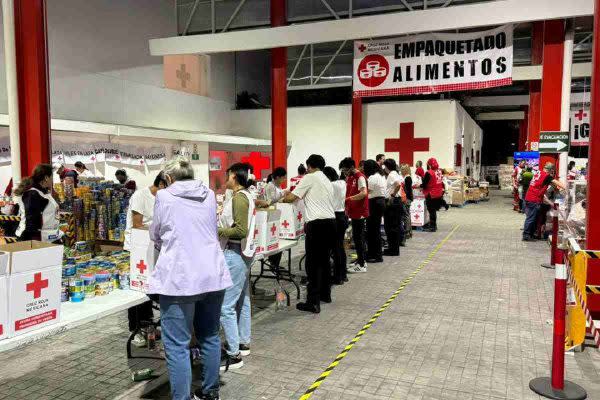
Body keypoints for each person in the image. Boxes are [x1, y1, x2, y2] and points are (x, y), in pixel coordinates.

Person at [149, 157, 231, 400]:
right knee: (209, 335)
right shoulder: (207, 194)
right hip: (213, 274)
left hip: (180, 278)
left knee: (177, 345)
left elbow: (156, 232)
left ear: (169, 178)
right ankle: (210, 392)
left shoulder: (164, 196)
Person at [283, 154, 336, 314]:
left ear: (309, 166)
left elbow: (292, 198)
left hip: (317, 225)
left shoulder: (309, 177)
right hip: (330, 223)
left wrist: (283, 197)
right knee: (325, 261)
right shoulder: (327, 180)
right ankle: (325, 295)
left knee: (312, 264)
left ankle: (313, 302)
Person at [217, 162, 256, 371]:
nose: (226, 177)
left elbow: (240, 230)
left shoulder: (239, 199)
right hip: (243, 253)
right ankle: (243, 342)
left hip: (235, 253)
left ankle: (234, 355)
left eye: (228, 174)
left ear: (235, 176)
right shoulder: (245, 195)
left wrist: (217, 230)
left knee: (225, 306)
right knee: (243, 299)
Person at [123, 172, 167, 348]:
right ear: (162, 184)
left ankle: (148, 326)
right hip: (138, 248)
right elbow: (137, 224)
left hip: (152, 247)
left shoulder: (164, 199)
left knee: (148, 288)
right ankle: (135, 329)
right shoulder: (140, 196)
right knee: (138, 288)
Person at [15, 164, 63, 243]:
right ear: (46, 178)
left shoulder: (43, 192)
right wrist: (34, 243)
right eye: (51, 176)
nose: (52, 179)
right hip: (36, 238)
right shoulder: (32, 194)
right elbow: (31, 221)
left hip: (46, 236)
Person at [339, 157, 369, 273]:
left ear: (351, 167)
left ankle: (362, 264)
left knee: (358, 238)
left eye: (346, 170)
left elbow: (363, 193)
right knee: (356, 238)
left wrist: (349, 199)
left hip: (360, 211)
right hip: (354, 211)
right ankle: (360, 260)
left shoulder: (360, 177)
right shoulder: (351, 177)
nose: (345, 172)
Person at [522, 163, 566, 242]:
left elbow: (552, 184)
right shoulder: (546, 176)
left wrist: (557, 189)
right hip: (534, 199)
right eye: (552, 171)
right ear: (550, 170)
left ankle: (530, 234)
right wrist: (566, 187)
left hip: (530, 197)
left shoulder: (539, 173)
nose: (552, 173)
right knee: (531, 218)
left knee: (533, 218)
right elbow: (557, 183)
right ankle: (526, 235)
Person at [323, 166, 348, 285]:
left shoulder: (330, 185)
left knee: (334, 248)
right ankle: (343, 274)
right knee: (340, 247)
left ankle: (337, 277)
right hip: (342, 216)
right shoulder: (342, 183)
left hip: (334, 217)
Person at [364, 160, 386, 263]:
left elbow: (367, 192)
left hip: (374, 203)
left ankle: (375, 255)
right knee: (375, 230)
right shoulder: (381, 176)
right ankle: (375, 254)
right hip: (380, 202)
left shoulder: (372, 178)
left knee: (372, 230)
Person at [383, 159, 404, 256]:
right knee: (394, 226)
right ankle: (393, 248)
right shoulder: (396, 173)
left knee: (391, 226)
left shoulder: (391, 175)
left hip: (393, 202)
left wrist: (392, 196)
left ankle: (393, 249)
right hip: (397, 202)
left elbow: (398, 185)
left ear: (387, 167)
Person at [420, 158, 444, 232]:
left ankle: (432, 226)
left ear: (429, 165)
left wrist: (419, 185)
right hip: (438, 193)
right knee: (434, 210)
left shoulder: (429, 173)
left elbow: (424, 184)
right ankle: (434, 225)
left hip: (431, 194)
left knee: (431, 211)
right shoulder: (439, 171)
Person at [400, 164, 414, 241]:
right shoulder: (407, 177)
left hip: (407, 198)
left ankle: (407, 231)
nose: (401, 171)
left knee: (406, 215)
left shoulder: (407, 178)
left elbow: (408, 191)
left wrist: (406, 199)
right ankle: (409, 231)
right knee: (407, 215)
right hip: (408, 198)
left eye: (402, 169)